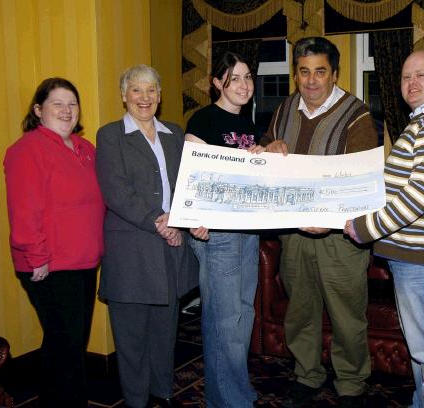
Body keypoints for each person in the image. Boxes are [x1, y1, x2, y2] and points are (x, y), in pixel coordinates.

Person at [261, 36, 378, 408]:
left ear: (335, 74)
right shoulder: (283, 110)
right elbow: (265, 157)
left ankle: (351, 383)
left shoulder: (356, 114)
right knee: (301, 310)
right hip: (294, 234)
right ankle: (307, 374)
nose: (311, 81)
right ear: (296, 74)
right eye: (304, 72)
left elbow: (361, 181)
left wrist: (327, 220)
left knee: (346, 314)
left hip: (340, 237)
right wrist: (267, 149)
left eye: (320, 72)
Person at [344, 49, 424, 408]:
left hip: (419, 260)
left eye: (421, 75)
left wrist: (365, 228)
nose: (411, 83)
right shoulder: (422, 122)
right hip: (413, 259)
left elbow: (418, 197)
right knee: (422, 347)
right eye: (406, 76)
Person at [95, 64, 198, 408]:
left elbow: (190, 183)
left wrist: (187, 219)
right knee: (132, 335)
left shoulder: (175, 133)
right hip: (132, 250)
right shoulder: (110, 136)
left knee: (165, 331)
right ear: (124, 95)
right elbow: (116, 191)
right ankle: (137, 401)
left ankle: (164, 392)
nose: (144, 97)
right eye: (136, 90)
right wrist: (159, 221)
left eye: (151, 90)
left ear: (160, 96)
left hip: (172, 246)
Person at [4, 77, 105, 408]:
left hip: (84, 261)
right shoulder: (27, 149)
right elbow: (24, 209)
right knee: (67, 348)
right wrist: (37, 256)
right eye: (57, 104)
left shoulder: (85, 149)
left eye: (72, 103)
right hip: (49, 265)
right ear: (38, 110)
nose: (66, 110)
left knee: (67, 346)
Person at [184, 51, 264, 408]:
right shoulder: (203, 121)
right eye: (235, 78)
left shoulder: (249, 125)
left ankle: (237, 390)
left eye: (248, 77)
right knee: (223, 321)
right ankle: (226, 401)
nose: (244, 85)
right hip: (217, 233)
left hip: (247, 230)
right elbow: (193, 178)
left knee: (243, 315)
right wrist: (196, 217)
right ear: (217, 83)